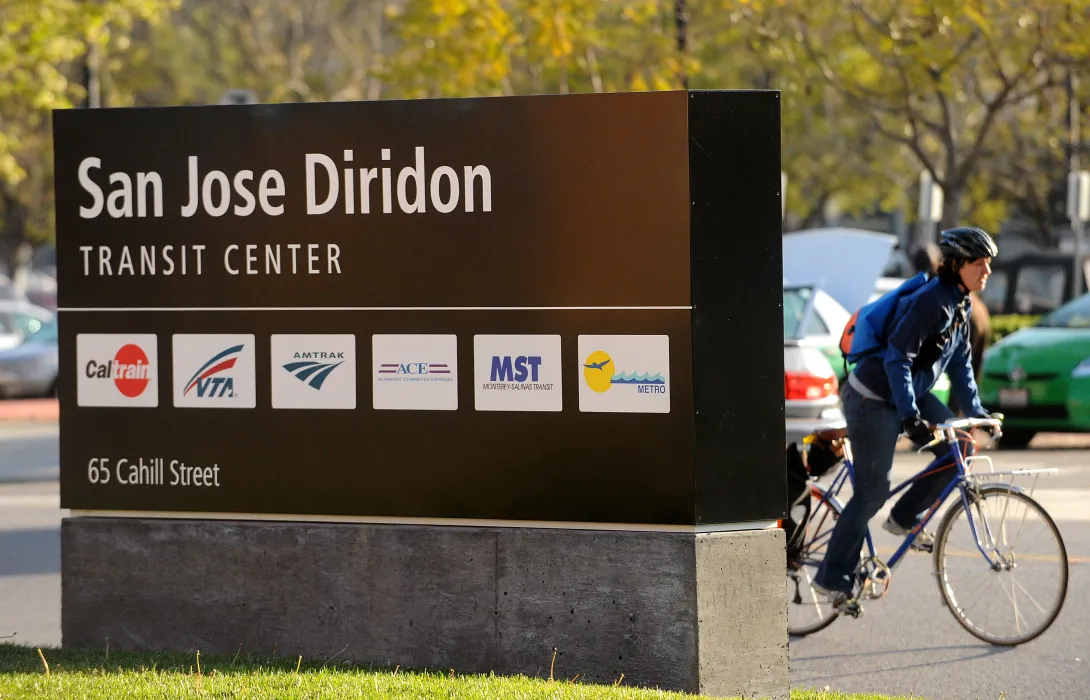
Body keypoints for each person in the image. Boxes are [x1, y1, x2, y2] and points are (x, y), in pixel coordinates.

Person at [812, 226, 1000, 615]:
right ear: (958, 264)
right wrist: (911, 415)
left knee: (962, 444)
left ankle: (903, 518)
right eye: (979, 263)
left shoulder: (961, 302)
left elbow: (962, 366)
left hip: (907, 390)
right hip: (872, 396)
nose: (987, 271)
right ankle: (832, 577)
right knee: (870, 492)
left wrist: (977, 413)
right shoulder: (933, 301)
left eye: (988, 264)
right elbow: (897, 357)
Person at [909, 243, 993, 412]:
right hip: (980, 319)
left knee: (959, 377)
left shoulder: (933, 287)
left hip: (969, 322)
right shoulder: (955, 290)